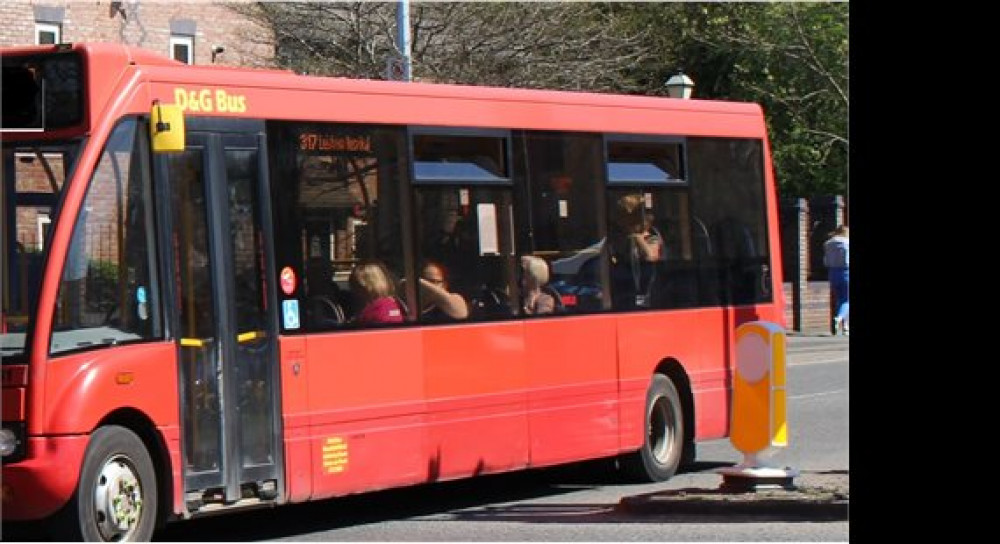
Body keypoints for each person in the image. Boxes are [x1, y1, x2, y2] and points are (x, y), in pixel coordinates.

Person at [349, 260, 404, 325]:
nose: (353, 291)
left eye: (356, 286)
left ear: (366, 286)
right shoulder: (390, 304)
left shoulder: (378, 311)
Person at [823, 225, 849, 336]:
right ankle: (839, 318)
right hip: (846, 272)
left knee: (840, 299)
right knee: (847, 300)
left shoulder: (828, 244)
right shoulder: (847, 243)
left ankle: (845, 327)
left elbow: (825, 261)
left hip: (833, 273)